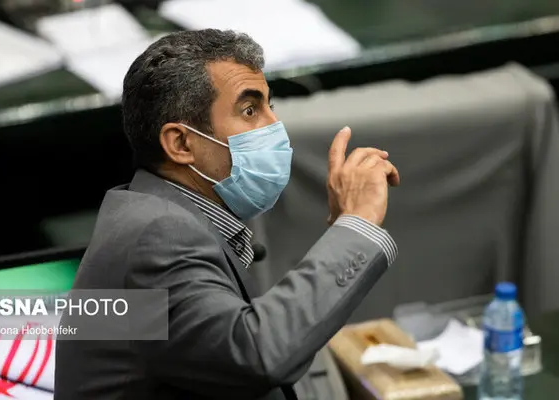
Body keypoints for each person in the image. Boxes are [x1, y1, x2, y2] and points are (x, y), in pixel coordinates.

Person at [54, 29, 400, 400]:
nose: (275, 126)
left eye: (270, 106)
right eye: (250, 111)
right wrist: (357, 223)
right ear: (181, 143)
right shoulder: (157, 238)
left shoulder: (158, 216)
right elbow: (256, 353)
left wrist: (345, 227)